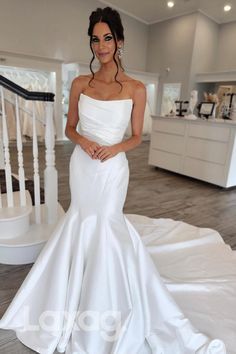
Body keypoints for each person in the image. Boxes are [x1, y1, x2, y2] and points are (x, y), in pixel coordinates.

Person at [0, 6, 234, 354]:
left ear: (119, 41)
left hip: (112, 168)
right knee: (80, 220)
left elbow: (137, 136)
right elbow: (69, 127)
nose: (100, 45)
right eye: (95, 39)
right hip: (83, 164)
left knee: (107, 224)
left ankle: (105, 297)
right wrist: (84, 142)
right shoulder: (80, 83)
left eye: (107, 38)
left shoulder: (137, 88)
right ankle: (69, 293)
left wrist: (113, 149)